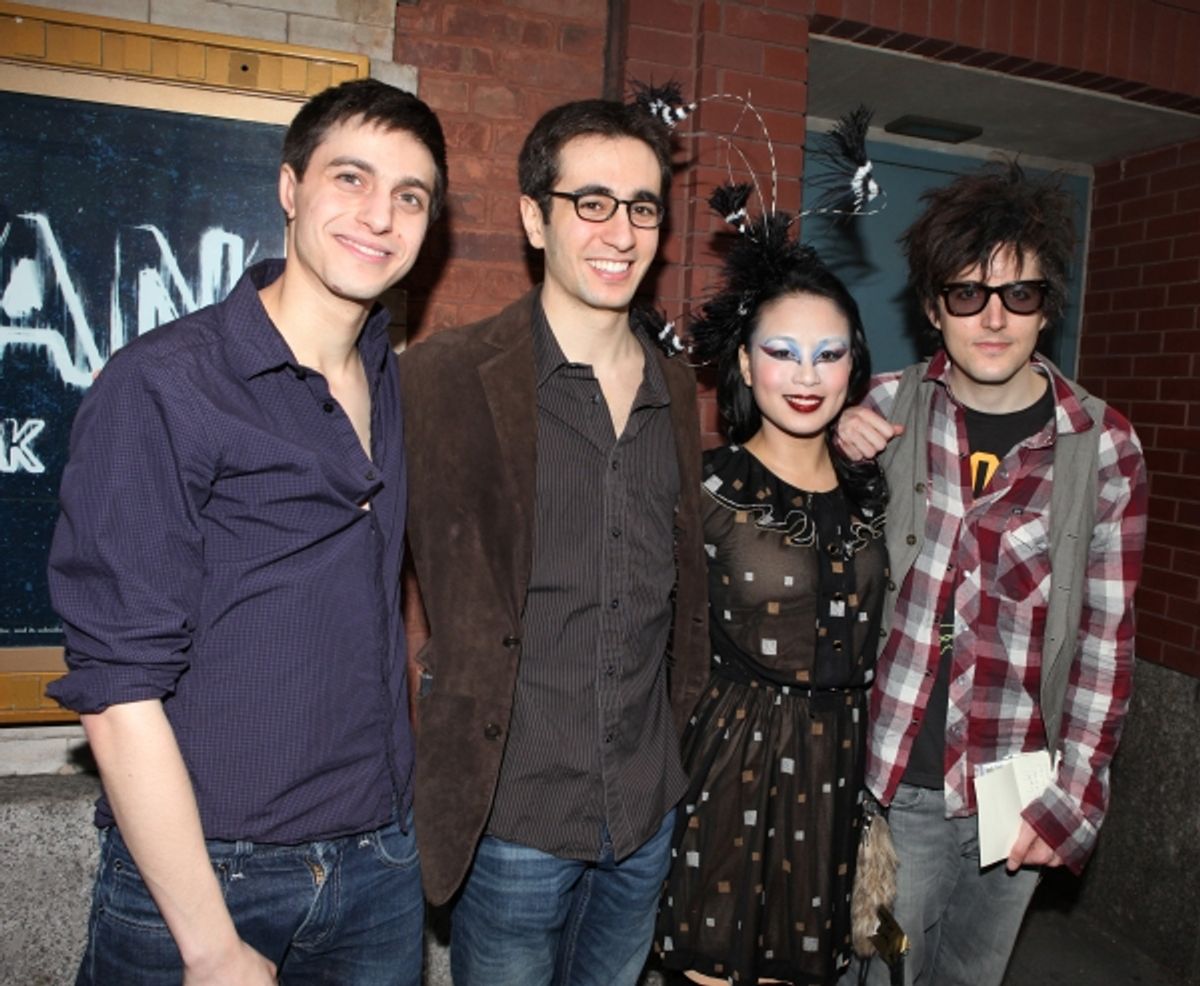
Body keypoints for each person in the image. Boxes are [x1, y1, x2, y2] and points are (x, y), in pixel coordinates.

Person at [46, 78, 447, 986]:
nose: (379, 215)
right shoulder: (165, 385)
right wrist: (208, 943)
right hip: (209, 876)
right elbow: (115, 690)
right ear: (290, 187)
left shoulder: (390, 376)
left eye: (410, 195)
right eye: (351, 178)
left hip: (380, 861)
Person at [399, 98, 709, 986]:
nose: (621, 232)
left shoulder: (677, 391)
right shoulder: (445, 378)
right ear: (536, 216)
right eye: (593, 202)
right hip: (514, 819)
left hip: (646, 810)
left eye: (643, 207)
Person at [837, 161, 1148, 986]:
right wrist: (830, 449)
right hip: (894, 784)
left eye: (1020, 294)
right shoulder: (882, 407)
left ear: (1048, 309)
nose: (994, 317)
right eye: (968, 293)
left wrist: (1072, 803)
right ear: (934, 307)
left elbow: (1104, 650)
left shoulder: (1104, 446)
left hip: (1017, 788)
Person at [654, 197, 889, 985]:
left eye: (828, 355)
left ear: (854, 367)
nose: (806, 375)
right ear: (746, 364)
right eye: (782, 352)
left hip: (834, 766)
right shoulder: (707, 487)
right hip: (726, 768)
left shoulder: (871, 489)